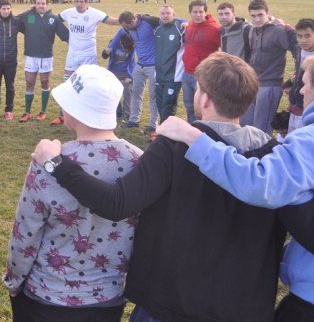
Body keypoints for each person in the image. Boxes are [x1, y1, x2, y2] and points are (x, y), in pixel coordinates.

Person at [36, 52, 312, 322]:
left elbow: (117, 203)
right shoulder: (274, 159)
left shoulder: (175, 146)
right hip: (242, 306)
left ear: (204, 98)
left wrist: (57, 165)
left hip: (171, 304)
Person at [156, 55, 314, 322]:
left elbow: (261, 183)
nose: (301, 90)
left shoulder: (309, 141)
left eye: (306, 83)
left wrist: (194, 138)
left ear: (204, 99)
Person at [5, 64, 142, 322]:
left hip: (45, 296)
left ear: (75, 110)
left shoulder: (48, 159)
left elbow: (26, 231)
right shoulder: (140, 162)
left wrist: (13, 280)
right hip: (107, 297)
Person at [56, 0, 119, 124]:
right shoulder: (68, 13)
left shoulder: (95, 13)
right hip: (73, 54)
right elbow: (54, 19)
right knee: (67, 82)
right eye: (77, 1)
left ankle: (87, 113)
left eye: (82, 2)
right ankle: (63, 114)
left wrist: (126, 19)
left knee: (88, 83)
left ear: (87, 2)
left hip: (88, 55)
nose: (79, 4)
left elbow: (113, 21)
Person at [240, 0, 298, 135]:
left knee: (262, 128)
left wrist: (297, 77)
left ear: (267, 13)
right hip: (253, 83)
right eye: (253, 16)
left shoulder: (278, 31)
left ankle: (263, 149)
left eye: (260, 15)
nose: (257, 19)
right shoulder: (251, 30)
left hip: (270, 85)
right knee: (246, 123)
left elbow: (297, 48)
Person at [17, 0, 69, 123]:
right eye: (38, 3)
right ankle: (27, 112)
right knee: (29, 83)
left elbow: (66, 35)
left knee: (45, 82)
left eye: (43, 3)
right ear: (34, 4)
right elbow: (14, 21)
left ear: (47, 4)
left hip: (46, 56)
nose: (41, 5)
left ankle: (43, 111)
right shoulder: (28, 16)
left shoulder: (53, 18)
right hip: (31, 55)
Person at [107, 12, 159, 134]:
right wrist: (110, 47)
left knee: (154, 95)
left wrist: (184, 22)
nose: (125, 29)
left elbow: (168, 20)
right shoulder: (127, 28)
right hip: (139, 65)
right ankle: (134, 120)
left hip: (154, 66)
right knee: (135, 93)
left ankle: (153, 125)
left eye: (126, 26)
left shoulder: (148, 22)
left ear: (132, 21)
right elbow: (119, 33)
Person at [181, 0, 220, 123]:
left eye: (201, 12)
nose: (198, 15)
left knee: (202, 108)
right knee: (188, 105)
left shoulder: (215, 29)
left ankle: (202, 131)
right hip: (186, 73)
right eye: (195, 12)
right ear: (190, 13)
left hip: (202, 75)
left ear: (205, 12)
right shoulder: (190, 25)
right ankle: (191, 128)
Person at [152, 5, 187, 123]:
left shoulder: (180, 28)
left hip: (173, 76)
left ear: (174, 15)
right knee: (160, 104)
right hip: (159, 75)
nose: (165, 16)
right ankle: (163, 129)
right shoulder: (157, 29)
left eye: (168, 13)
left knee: (168, 106)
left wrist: (185, 22)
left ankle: (165, 131)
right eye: (162, 13)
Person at [287, 19, 314, 133]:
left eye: (307, 36)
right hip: (295, 104)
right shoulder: (298, 49)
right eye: (300, 36)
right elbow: (297, 73)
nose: (303, 40)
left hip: (308, 109)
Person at [103, 31, 136, 122]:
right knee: (113, 91)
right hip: (113, 72)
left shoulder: (133, 46)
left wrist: (130, 77)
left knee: (127, 91)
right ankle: (118, 112)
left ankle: (128, 114)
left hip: (126, 72)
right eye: (123, 46)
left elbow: (133, 63)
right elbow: (104, 56)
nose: (124, 49)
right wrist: (106, 52)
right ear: (120, 42)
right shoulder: (113, 43)